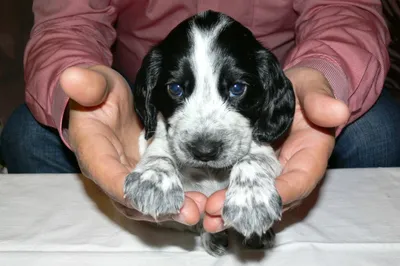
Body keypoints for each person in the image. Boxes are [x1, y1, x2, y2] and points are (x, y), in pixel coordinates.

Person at [1, 0, 400, 233]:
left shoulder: (263, 77)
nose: (205, 140)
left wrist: (320, 76)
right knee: (26, 133)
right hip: (137, 77)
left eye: (235, 89)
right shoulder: (157, 79)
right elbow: (68, 20)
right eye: (179, 89)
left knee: (379, 127)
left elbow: (344, 8)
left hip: (283, 70)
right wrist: (83, 87)